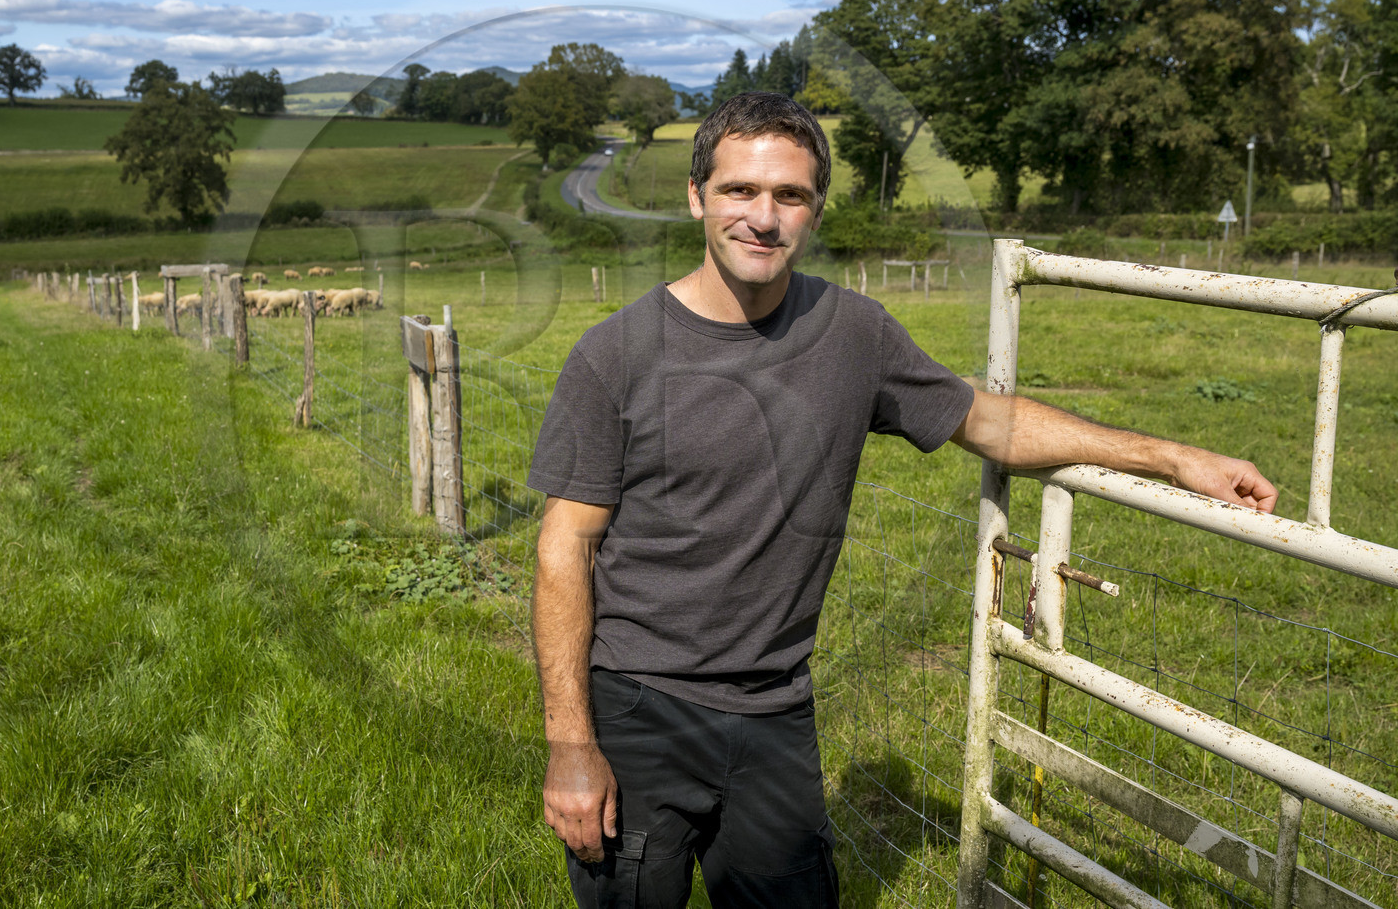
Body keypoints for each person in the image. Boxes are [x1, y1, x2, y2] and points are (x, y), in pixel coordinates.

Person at [526, 92, 1277, 907]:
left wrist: (1173, 456)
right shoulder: (615, 355)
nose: (763, 216)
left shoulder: (854, 333)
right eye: (740, 189)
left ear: (815, 209)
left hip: (776, 706)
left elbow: (988, 421)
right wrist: (571, 744)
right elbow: (565, 546)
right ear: (697, 196)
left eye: (790, 195)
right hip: (641, 705)